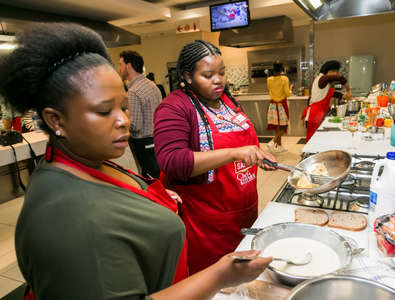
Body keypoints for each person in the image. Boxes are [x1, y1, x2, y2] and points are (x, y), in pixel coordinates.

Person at [0, 23, 271, 300]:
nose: (124, 121)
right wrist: (220, 275)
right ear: (56, 120)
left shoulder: (92, 160)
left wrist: (155, 196)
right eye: (105, 111)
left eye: (124, 107)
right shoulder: (69, 219)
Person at [154, 40, 276, 275]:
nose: (218, 80)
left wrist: (258, 154)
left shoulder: (227, 101)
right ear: (188, 76)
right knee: (216, 282)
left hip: (244, 209)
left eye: (222, 73)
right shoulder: (174, 107)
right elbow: (172, 161)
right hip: (208, 222)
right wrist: (234, 153)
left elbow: (244, 141)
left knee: (244, 274)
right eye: (208, 75)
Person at [118, 51, 162, 178]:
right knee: (159, 176)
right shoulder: (153, 86)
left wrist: (123, 122)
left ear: (128, 66)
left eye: (120, 64)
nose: (119, 69)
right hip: (157, 139)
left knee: (149, 178)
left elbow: (135, 126)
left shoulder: (133, 91)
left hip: (144, 144)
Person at [302, 60, 352, 142]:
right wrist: (348, 89)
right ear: (330, 71)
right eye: (336, 72)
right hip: (315, 115)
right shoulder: (322, 79)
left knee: (318, 140)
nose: (337, 74)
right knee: (313, 141)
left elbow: (330, 93)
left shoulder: (324, 82)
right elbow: (339, 78)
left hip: (319, 114)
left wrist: (343, 96)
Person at [266, 61, 293, 153]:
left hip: (273, 106)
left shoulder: (269, 79)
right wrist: (291, 89)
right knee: (283, 126)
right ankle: (273, 142)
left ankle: (280, 146)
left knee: (277, 127)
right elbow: (287, 94)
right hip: (281, 106)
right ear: (282, 69)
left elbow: (270, 90)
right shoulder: (284, 79)